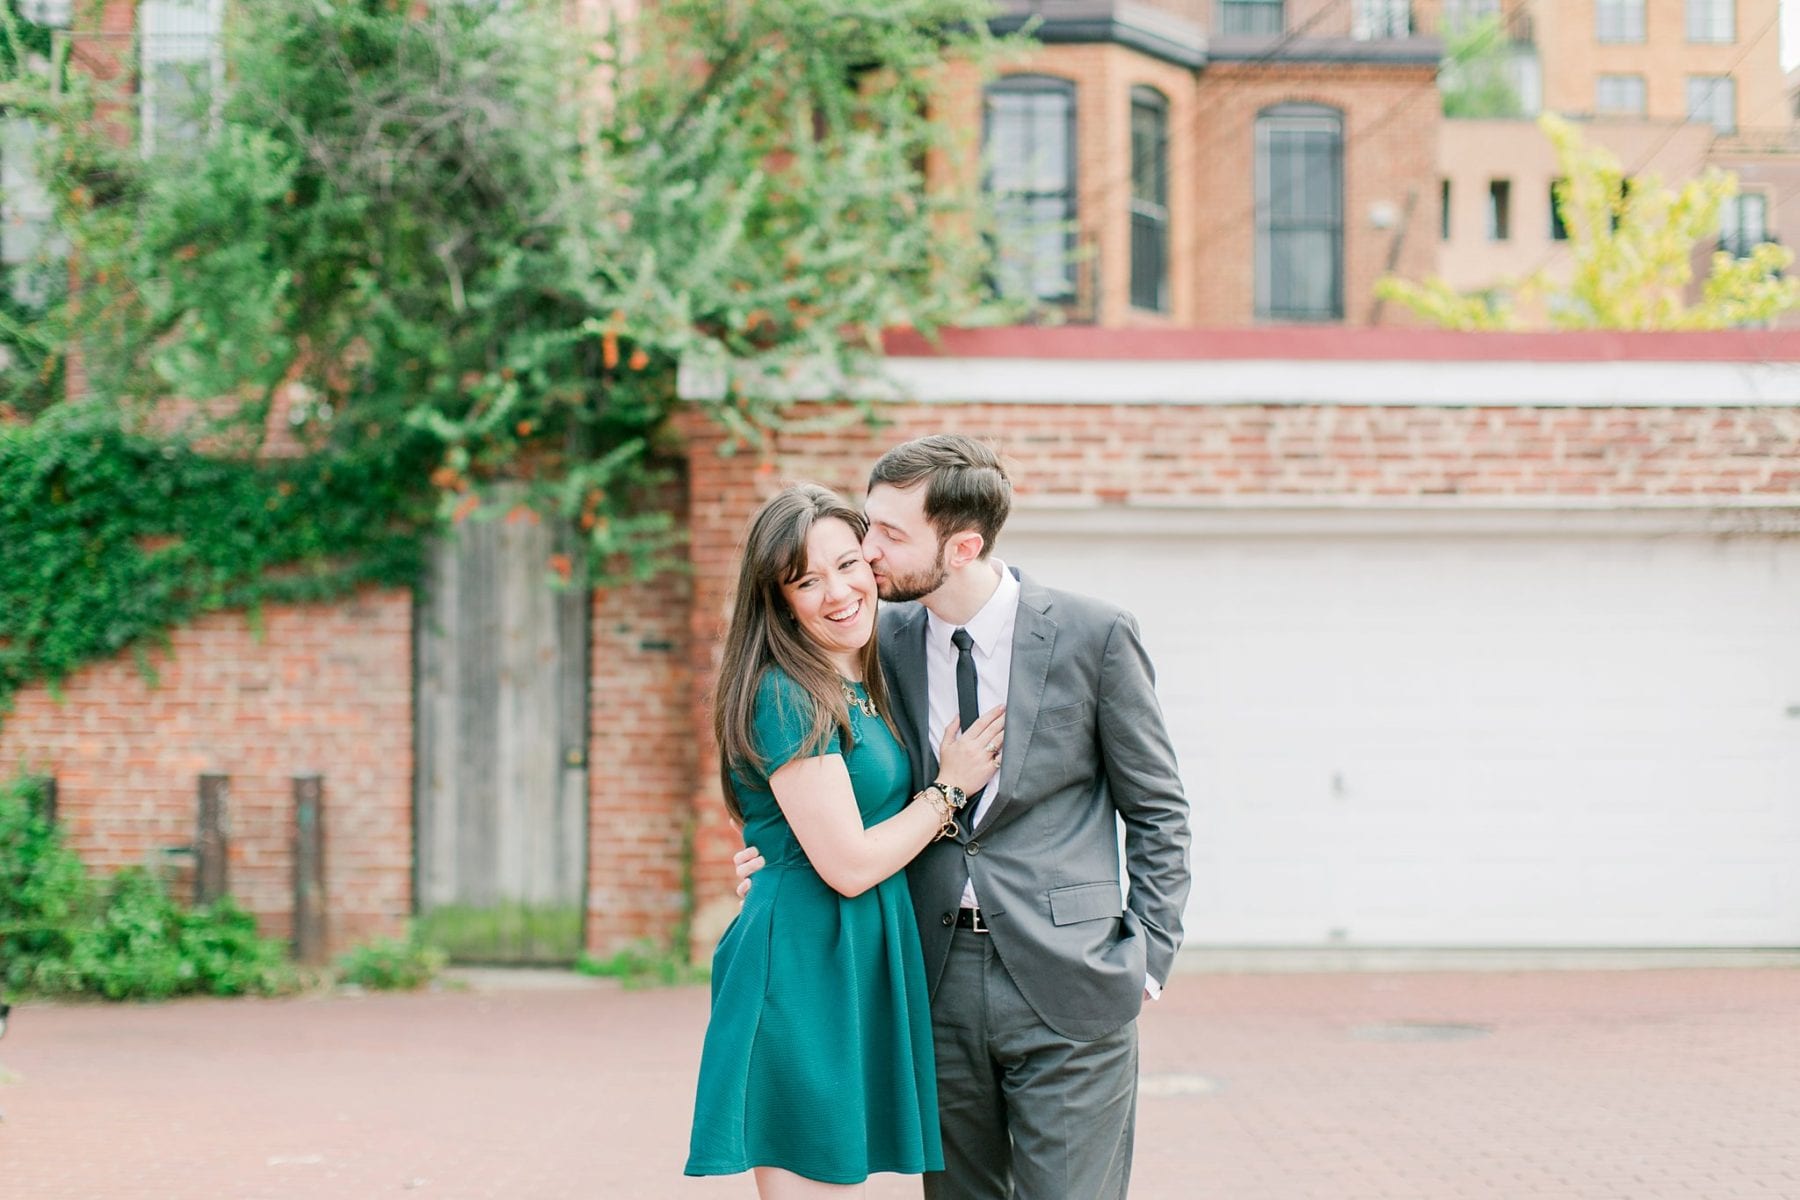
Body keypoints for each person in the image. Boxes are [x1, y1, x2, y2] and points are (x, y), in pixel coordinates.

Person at [736, 436, 1192, 1200]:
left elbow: (1158, 808)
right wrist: (767, 850)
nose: (866, 552)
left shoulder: (1094, 634)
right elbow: (811, 758)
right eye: (868, 526)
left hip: (1072, 978)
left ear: (963, 545)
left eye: (888, 534)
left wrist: (1148, 958)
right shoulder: (877, 638)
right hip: (930, 977)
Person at [686, 482, 1008, 1198]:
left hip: (850, 955)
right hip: (804, 965)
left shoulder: (859, 674)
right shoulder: (785, 691)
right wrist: (949, 788)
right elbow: (852, 865)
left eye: (848, 564)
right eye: (807, 580)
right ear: (779, 599)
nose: (838, 591)